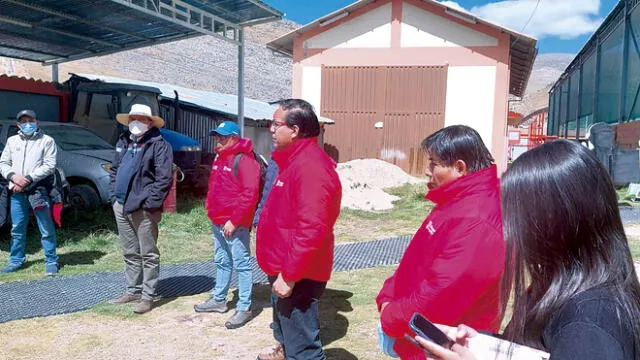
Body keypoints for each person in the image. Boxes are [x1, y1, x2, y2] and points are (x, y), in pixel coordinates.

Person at [416, 140, 640, 360]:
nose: (509, 228)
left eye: (515, 215)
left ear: (552, 221)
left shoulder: (590, 323)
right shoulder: (563, 283)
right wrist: (484, 344)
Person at [375, 125, 505, 360]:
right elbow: (417, 260)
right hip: (419, 333)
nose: (427, 170)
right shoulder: (457, 201)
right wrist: (388, 295)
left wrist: (392, 316)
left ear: (459, 167)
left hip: (444, 344)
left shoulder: (477, 218)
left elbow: (441, 290)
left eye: (434, 163)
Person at [256, 99, 342, 360]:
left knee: (304, 350)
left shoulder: (311, 167)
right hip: (285, 266)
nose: (271, 129)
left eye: (276, 124)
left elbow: (311, 228)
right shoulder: (292, 161)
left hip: (299, 273)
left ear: (294, 130)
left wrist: (290, 276)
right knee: (287, 335)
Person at [194, 121, 261, 329]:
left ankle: (244, 307)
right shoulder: (220, 157)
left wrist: (235, 220)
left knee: (241, 264)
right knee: (222, 261)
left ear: (234, 137)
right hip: (218, 220)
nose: (219, 140)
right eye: (217, 136)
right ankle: (219, 299)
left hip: (234, 223)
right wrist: (211, 210)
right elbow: (216, 188)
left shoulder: (245, 160)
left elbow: (249, 195)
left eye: (223, 136)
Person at [109, 104, 173, 314]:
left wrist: (150, 203)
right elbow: (115, 169)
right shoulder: (123, 141)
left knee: (148, 253)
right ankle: (133, 290)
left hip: (143, 208)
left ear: (150, 123)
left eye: (141, 119)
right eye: (133, 118)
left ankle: (148, 296)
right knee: (129, 251)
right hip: (121, 205)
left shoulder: (159, 144)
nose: (136, 123)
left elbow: (164, 179)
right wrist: (114, 196)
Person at [0, 109, 59, 275]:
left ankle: (51, 260)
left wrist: (27, 179)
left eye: (30, 120)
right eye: (23, 121)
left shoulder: (47, 141)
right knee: (17, 227)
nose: (27, 124)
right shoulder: (12, 141)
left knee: (46, 227)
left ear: (37, 122)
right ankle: (16, 260)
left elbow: (49, 165)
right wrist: (13, 176)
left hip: (38, 191)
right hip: (17, 191)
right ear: (18, 124)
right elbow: (3, 163)